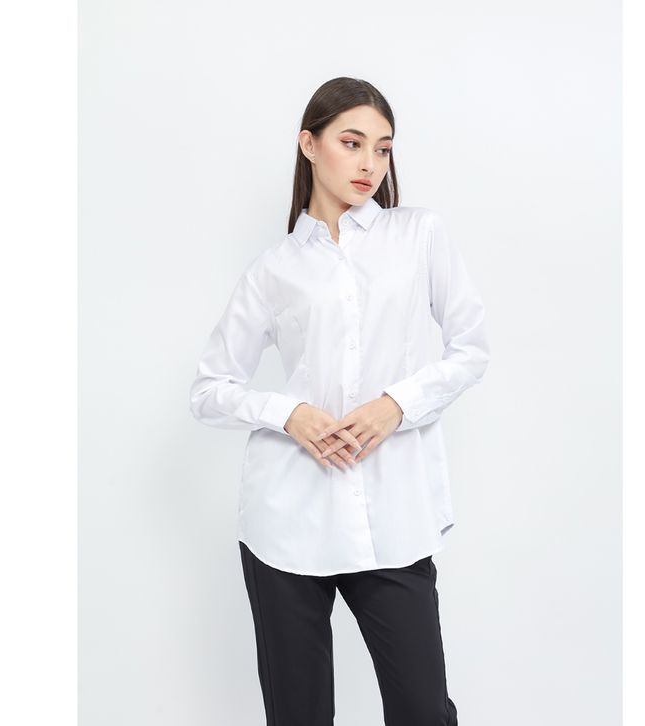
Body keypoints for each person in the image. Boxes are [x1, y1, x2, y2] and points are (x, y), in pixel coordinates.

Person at [189, 76, 490, 726]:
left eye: (382, 148)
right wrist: (288, 414)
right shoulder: (274, 269)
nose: (369, 163)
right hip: (286, 522)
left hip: (394, 516)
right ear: (309, 144)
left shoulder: (418, 235)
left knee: (423, 711)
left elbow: (471, 348)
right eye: (351, 143)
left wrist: (397, 405)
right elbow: (209, 391)